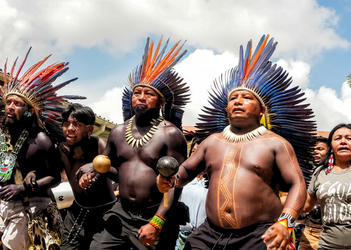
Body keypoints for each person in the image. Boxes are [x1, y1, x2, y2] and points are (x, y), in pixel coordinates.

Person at [157, 35, 316, 250]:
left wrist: (285, 223)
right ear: (227, 108)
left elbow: (298, 185)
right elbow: (185, 171)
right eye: (233, 98)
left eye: (247, 98)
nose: (238, 101)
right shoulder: (211, 142)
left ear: (262, 110)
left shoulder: (276, 144)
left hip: (258, 237)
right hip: (209, 235)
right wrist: (171, 180)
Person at [0, 49, 84, 250]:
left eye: (18, 104)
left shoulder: (41, 140)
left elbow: (54, 177)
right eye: (8, 102)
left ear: (29, 111)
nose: (10, 107)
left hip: (31, 202)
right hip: (1, 201)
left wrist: (23, 187)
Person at [86, 37, 190, 250]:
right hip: (121, 212)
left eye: (148, 94)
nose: (141, 98)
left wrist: (158, 221)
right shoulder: (117, 132)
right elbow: (110, 168)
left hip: (154, 215)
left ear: (161, 101)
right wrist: (92, 171)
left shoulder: (171, 134)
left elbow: (175, 184)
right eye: (137, 93)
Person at [58, 103, 116, 249]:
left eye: (76, 124)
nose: (70, 128)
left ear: (89, 129)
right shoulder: (62, 149)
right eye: (66, 124)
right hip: (76, 211)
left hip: (105, 212)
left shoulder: (102, 146)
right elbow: (51, 174)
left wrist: (98, 167)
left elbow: (121, 175)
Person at [303, 124, 351, 250]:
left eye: (349, 138)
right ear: (331, 147)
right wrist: (272, 202)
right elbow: (306, 205)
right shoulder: (320, 172)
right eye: (338, 138)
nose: (343, 141)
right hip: (327, 245)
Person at [298, 136, 327, 250]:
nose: (315, 152)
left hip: (332, 233)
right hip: (310, 230)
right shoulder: (306, 174)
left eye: (320, 149)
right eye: (313, 149)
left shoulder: (339, 173)